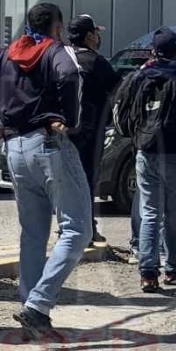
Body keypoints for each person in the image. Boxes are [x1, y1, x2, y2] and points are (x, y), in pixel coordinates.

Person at [0, 2, 89, 338]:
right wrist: (69, 119)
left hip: (13, 147)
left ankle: (32, 311)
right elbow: (70, 75)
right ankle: (38, 305)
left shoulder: (4, 54)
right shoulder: (57, 51)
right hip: (49, 144)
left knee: (32, 234)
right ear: (57, 26)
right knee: (77, 231)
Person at [114, 28, 176, 293]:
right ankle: (175, 269)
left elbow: (122, 114)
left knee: (149, 213)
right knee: (174, 216)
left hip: (145, 152)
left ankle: (148, 273)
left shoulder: (138, 75)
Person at [67, 14, 117, 247]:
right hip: (89, 132)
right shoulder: (96, 62)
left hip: (62, 130)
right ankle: (86, 230)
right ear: (88, 35)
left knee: (67, 181)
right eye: (96, 33)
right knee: (86, 180)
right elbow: (118, 89)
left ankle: (69, 228)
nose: (98, 37)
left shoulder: (60, 57)